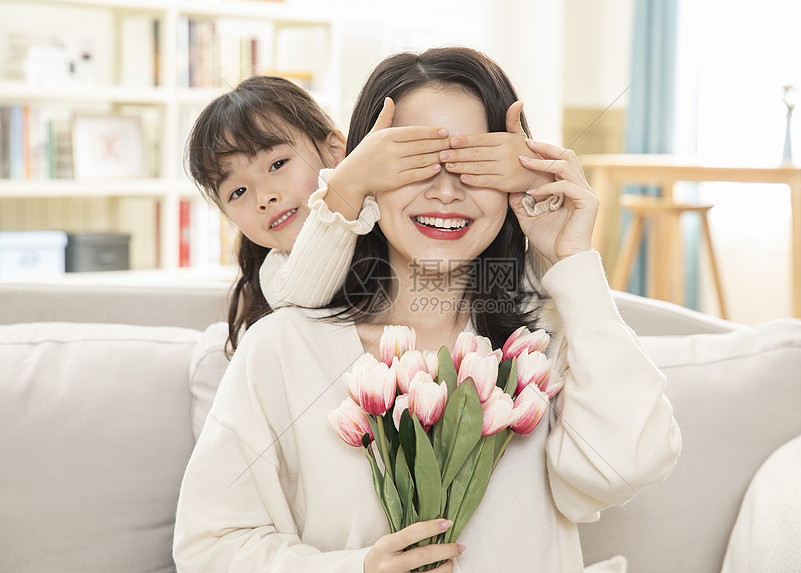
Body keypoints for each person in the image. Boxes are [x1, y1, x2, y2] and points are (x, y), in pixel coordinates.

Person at [174, 47, 681, 573]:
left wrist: (568, 257)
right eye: (416, 161)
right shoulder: (281, 347)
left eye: (473, 163)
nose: (445, 190)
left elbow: (624, 469)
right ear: (362, 170)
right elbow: (210, 548)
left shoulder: (547, 334)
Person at [186, 75, 545, 353]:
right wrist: (349, 182)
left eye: (277, 163)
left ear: (335, 151)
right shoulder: (280, 270)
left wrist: (531, 180)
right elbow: (307, 295)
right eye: (237, 192)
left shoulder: (383, 214)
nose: (264, 197)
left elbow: (527, 284)